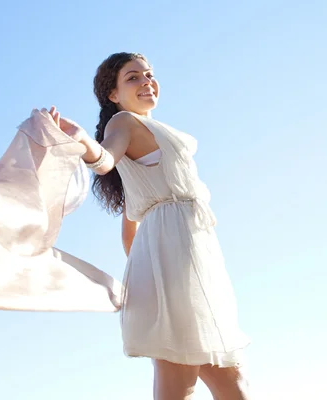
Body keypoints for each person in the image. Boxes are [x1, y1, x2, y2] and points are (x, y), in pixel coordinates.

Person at [44, 52, 251, 399]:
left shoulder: (151, 140)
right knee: (179, 383)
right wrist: (82, 140)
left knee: (233, 383)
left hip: (188, 258)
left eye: (149, 74)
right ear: (113, 95)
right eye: (133, 78)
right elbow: (105, 159)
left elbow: (130, 230)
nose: (146, 82)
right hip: (177, 263)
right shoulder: (122, 122)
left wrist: (148, 273)